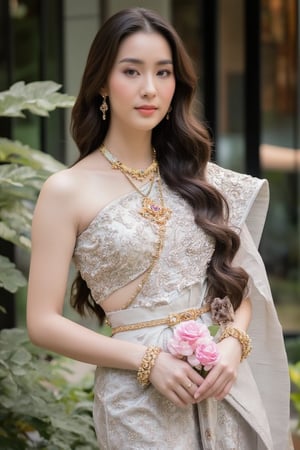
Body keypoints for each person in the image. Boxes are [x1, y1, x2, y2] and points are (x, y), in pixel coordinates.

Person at [26, 7, 292, 450]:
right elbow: (41, 322)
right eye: (131, 71)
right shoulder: (65, 190)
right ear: (101, 83)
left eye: (163, 72)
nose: (150, 88)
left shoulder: (203, 180)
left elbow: (239, 286)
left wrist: (232, 344)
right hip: (138, 400)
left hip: (224, 386)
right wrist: (148, 359)